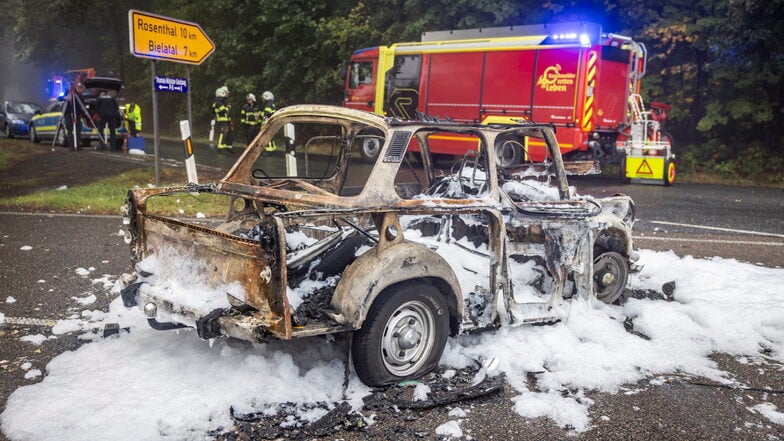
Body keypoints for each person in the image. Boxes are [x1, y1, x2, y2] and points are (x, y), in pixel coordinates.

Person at [63, 82, 87, 150]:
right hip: (68, 113)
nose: (82, 92)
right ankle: (71, 146)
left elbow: (82, 106)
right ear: (78, 88)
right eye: (82, 90)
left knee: (78, 130)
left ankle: (78, 145)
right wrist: (65, 98)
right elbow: (59, 98)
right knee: (70, 129)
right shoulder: (69, 93)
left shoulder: (80, 96)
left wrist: (85, 114)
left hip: (77, 114)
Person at [212, 86, 233, 152]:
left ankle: (224, 147)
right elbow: (223, 110)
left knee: (225, 134)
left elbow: (225, 112)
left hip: (224, 120)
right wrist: (228, 107)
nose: (226, 94)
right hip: (221, 121)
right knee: (222, 134)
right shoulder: (218, 102)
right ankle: (220, 147)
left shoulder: (222, 101)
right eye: (225, 93)